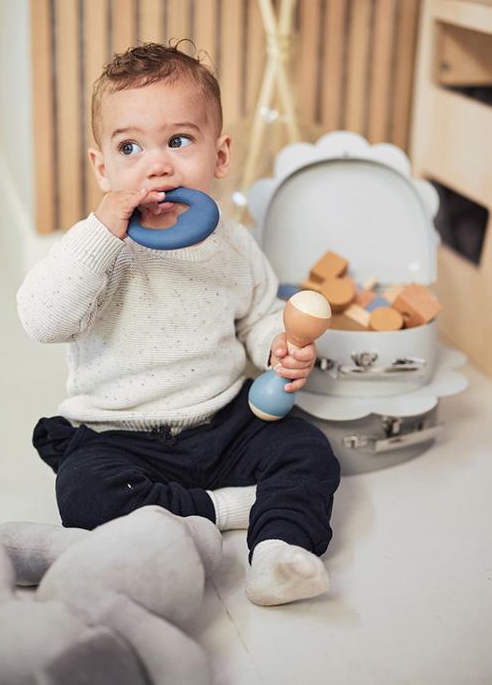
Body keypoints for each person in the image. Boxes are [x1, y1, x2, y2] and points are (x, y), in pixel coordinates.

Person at [17, 42, 340, 606]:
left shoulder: (233, 243)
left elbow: (259, 315)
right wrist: (100, 233)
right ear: (102, 166)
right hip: (121, 432)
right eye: (130, 147)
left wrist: (279, 348)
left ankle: (277, 553)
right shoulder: (93, 249)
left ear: (219, 156)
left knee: (309, 450)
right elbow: (44, 321)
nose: (156, 164)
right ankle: (229, 508)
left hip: (222, 419)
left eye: (179, 140)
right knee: (85, 493)